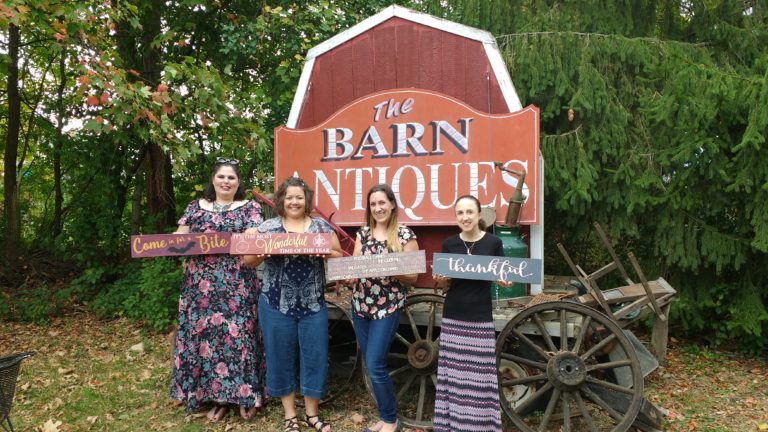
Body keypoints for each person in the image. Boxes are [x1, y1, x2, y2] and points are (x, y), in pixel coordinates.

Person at [170, 158, 267, 422]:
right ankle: (212, 397)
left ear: (238, 183)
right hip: (199, 286)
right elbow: (179, 240)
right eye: (221, 177)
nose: (226, 181)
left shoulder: (250, 208)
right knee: (204, 339)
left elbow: (251, 240)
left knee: (238, 338)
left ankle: (245, 395)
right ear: (213, 180)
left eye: (231, 178)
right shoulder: (195, 207)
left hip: (236, 284)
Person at [244, 176, 342, 432]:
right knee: (280, 357)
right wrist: (263, 251)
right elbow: (248, 260)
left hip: (312, 305)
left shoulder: (320, 227)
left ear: (306, 200)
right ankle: (290, 416)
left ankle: (311, 414)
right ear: (282, 200)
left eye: (299, 197)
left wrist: (325, 253)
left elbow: (339, 255)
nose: (294, 202)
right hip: (276, 304)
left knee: (315, 357)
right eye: (290, 197)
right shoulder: (268, 228)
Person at [432, 195, 512, 432]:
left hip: (480, 317)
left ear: (479, 215)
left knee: (479, 379)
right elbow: (444, 285)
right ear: (456, 217)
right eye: (460, 213)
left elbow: (503, 274)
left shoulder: (493, 243)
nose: (465, 217)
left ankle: (481, 426)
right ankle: (453, 425)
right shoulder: (449, 244)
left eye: (469, 212)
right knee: (455, 379)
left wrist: (506, 282)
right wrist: (441, 280)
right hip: (454, 316)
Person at [348, 184, 419, 432]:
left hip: (386, 308)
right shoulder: (363, 234)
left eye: (382, 203)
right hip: (360, 306)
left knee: (376, 363)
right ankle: (384, 417)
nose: (378, 208)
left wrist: (389, 267)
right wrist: (349, 275)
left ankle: (390, 420)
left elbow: (413, 276)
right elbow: (354, 267)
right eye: (373, 204)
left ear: (392, 205)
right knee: (370, 363)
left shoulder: (405, 235)